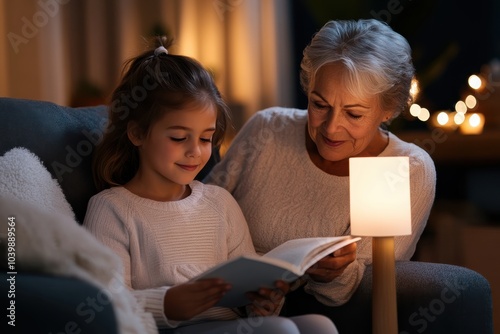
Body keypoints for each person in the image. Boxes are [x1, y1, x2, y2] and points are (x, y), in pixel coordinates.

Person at [83, 37, 339, 334]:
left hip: (235, 326)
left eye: (206, 138)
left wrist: (263, 302)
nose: (195, 151)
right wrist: (167, 304)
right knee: (280, 331)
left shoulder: (220, 202)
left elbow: (250, 292)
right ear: (138, 133)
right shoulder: (112, 209)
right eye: (179, 138)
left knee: (319, 326)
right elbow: (102, 304)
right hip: (167, 329)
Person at [205, 18, 436, 321]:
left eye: (353, 114)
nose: (331, 127)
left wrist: (332, 275)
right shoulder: (268, 128)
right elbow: (200, 212)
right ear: (309, 87)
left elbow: (368, 286)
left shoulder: (407, 169)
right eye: (319, 104)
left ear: (389, 109)